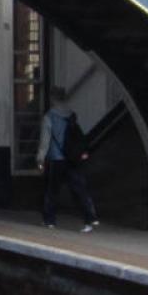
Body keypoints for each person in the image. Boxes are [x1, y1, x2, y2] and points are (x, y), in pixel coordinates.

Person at [37, 90, 99, 231]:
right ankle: (90, 219)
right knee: (79, 189)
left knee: (52, 191)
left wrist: (40, 159)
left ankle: (50, 221)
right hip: (72, 158)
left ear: (52, 99)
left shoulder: (49, 117)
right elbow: (77, 136)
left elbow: (44, 141)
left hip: (56, 159)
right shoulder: (71, 115)